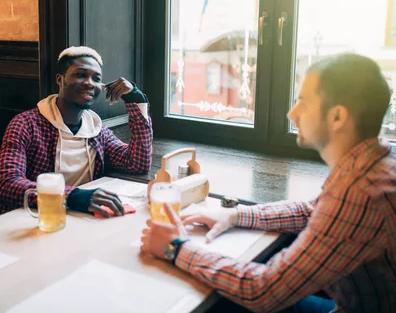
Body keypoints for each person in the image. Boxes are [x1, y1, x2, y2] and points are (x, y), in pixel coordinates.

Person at [141, 53, 396, 312]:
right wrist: (235, 215)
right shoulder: (372, 163)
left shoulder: (361, 191)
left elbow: (262, 290)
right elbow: (312, 210)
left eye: (303, 103)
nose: (291, 113)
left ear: (338, 117)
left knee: (219, 302)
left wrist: (176, 247)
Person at [0, 46, 152, 217]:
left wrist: (135, 98)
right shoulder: (26, 125)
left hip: (76, 217)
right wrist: (73, 196)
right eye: (81, 75)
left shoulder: (96, 130)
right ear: (60, 80)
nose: (90, 82)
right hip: (27, 218)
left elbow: (137, 163)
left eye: (96, 78)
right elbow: (7, 184)